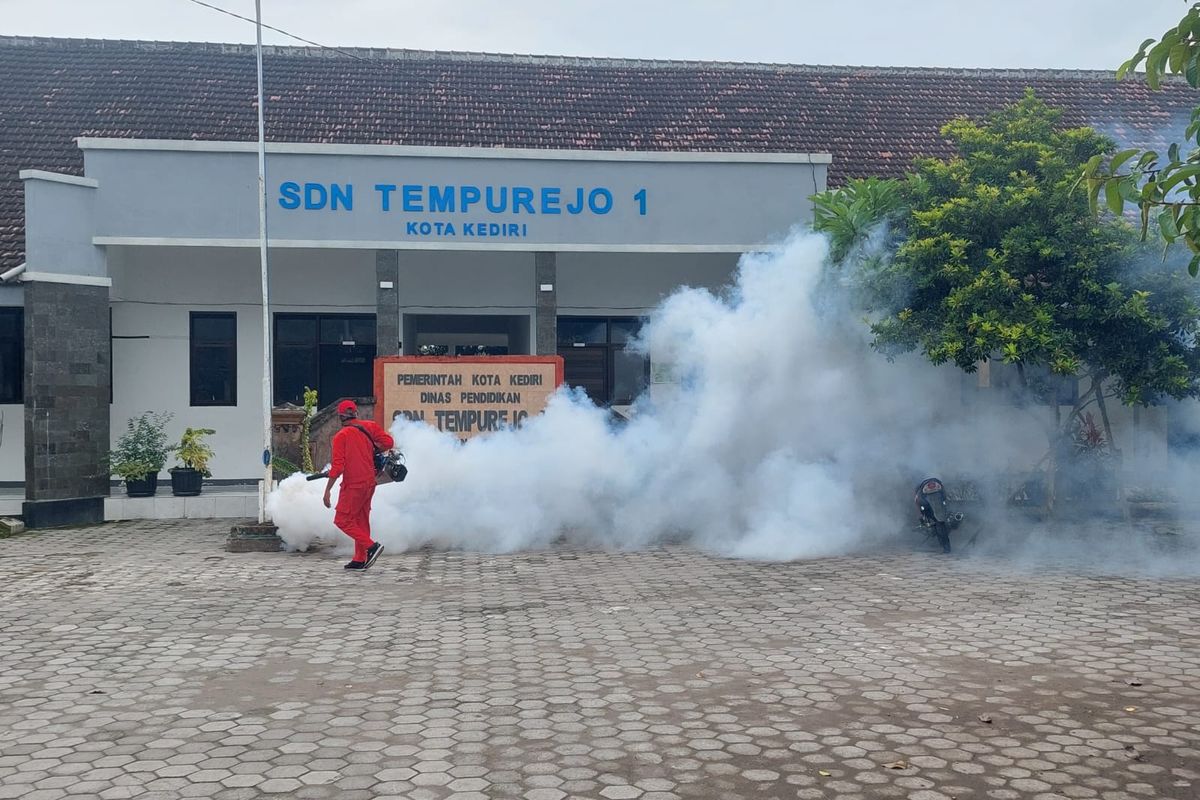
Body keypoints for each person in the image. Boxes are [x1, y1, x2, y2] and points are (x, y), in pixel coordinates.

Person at [323, 399, 394, 571]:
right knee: (361, 520)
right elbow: (388, 443)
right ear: (356, 413)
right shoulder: (370, 426)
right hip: (370, 482)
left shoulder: (341, 436)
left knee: (342, 520)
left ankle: (371, 547)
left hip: (353, 485)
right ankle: (360, 558)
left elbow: (338, 468)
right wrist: (373, 450)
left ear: (340, 417)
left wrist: (327, 490)